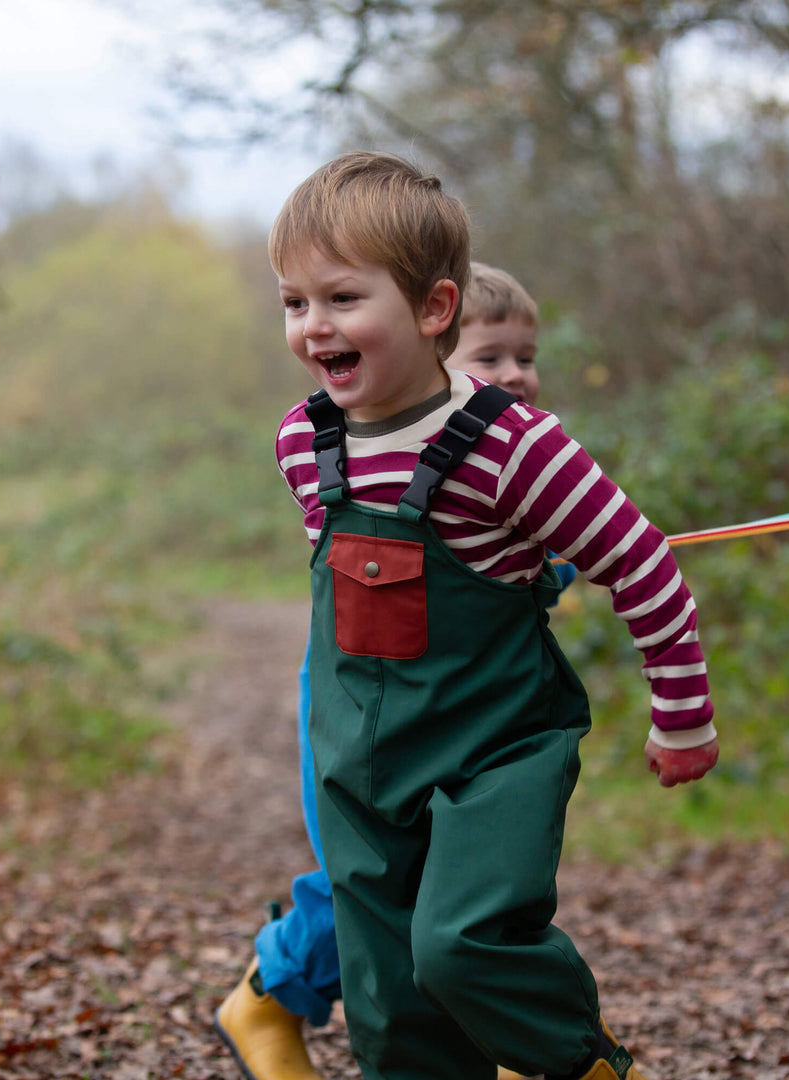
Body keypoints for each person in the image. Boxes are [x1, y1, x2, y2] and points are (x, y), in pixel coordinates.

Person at [265, 150, 718, 1080]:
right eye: (295, 302)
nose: (314, 327)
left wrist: (682, 718)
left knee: (462, 943)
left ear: (434, 310)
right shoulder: (302, 445)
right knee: (389, 995)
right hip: (365, 761)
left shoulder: (516, 448)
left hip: (495, 750)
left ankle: (586, 1068)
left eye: (342, 299)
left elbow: (642, 568)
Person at [214, 262, 575, 1080]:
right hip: (364, 709)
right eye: (493, 357)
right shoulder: (350, 440)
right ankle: (269, 993)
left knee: (465, 888)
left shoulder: (519, 460)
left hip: (474, 713)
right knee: (379, 877)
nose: (516, 374)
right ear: (439, 355)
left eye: (527, 355)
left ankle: (511, 1040)